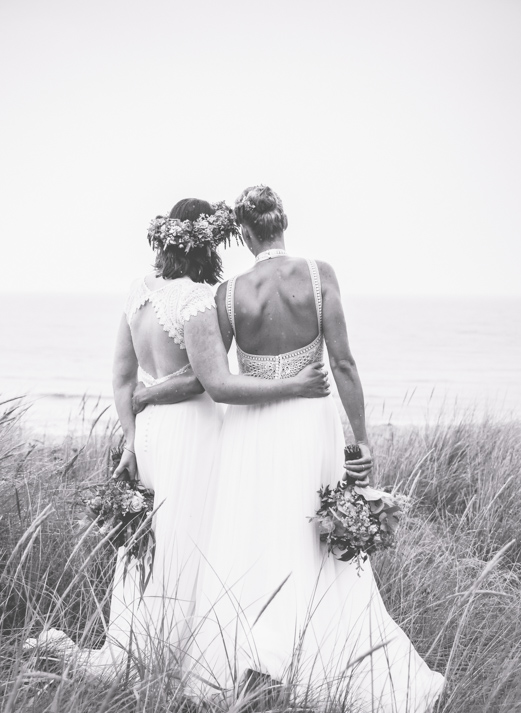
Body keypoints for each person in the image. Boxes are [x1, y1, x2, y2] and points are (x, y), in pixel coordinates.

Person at [24, 197, 328, 679]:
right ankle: (174, 654)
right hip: (194, 434)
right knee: (190, 539)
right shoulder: (196, 301)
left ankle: (135, 643)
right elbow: (212, 382)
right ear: (208, 244)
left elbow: (123, 381)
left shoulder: (136, 293)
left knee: (153, 539)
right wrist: (294, 385)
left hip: (149, 439)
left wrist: (130, 438)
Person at [182, 185, 444, 713]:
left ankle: (253, 662)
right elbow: (343, 364)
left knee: (256, 538)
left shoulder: (229, 293)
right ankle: (324, 658)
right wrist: (362, 440)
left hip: (250, 432)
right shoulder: (320, 274)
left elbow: (221, 383)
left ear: (246, 235)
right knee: (315, 545)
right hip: (310, 425)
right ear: (283, 225)